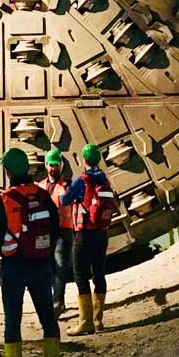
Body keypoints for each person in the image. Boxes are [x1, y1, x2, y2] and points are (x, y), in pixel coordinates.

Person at [0, 147, 61, 357]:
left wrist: (8, 251)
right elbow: (55, 228)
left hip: (14, 267)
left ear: (9, 173)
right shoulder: (42, 195)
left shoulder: (5, 199)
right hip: (41, 265)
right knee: (48, 318)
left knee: (12, 321)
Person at [60, 143, 117, 335]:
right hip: (101, 234)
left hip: (84, 234)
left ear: (84, 160)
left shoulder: (81, 181)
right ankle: (98, 320)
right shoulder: (104, 179)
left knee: (80, 275)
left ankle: (85, 322)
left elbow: (64, 201)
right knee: (99, 274)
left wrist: (68, 190)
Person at [40, 147, 75, 319]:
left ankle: (58, 302)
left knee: (60, 265)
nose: (53, 168)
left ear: (61, 165)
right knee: (49, 267)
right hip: (47, 232)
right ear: (46, 165)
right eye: (50, 165)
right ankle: (54, 301)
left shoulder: (68, 185)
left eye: (56, 165)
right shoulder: (40, 186)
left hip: (64, 230)